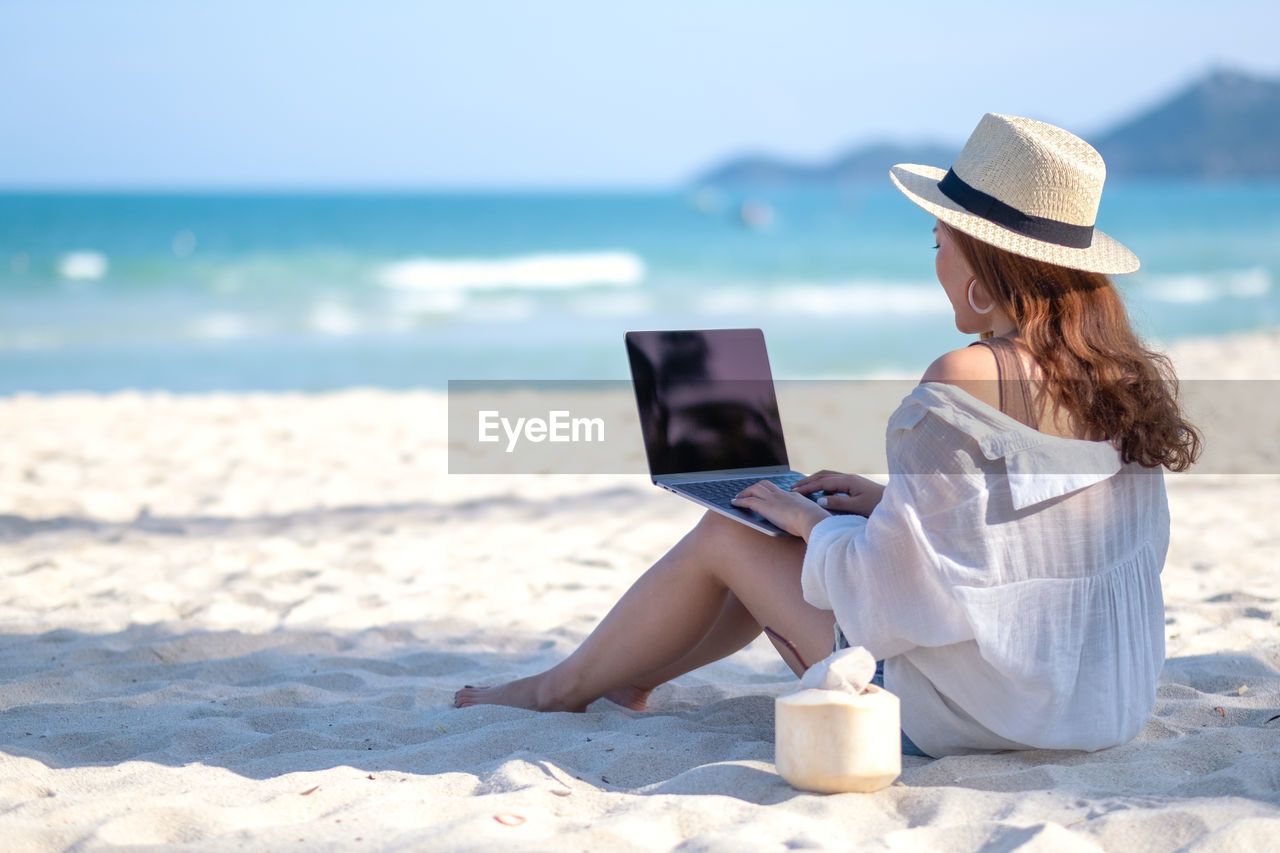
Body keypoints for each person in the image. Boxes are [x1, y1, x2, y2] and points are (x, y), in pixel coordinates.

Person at [454, 113, 1201, 758]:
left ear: (984, 262)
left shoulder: (964, 374)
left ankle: (553, 690)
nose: (933, 257)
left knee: (736, 532)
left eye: (938, 239)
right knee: (780, 520)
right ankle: (634, 674)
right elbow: (1067, 537)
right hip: (1100, 704)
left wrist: (813, 524)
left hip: (979, 718)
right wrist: (883, 505)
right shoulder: (1119, 376)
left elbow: (893, 603)